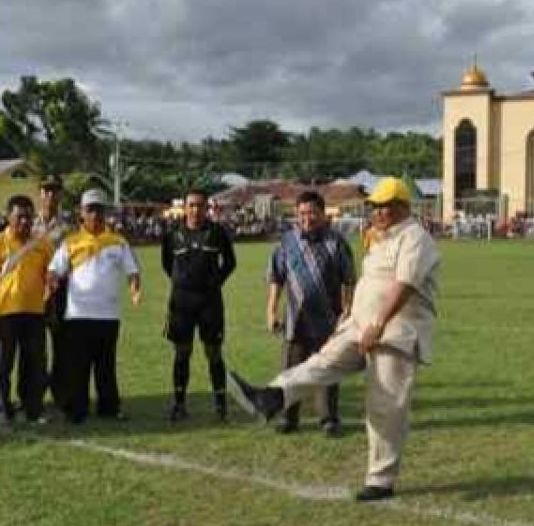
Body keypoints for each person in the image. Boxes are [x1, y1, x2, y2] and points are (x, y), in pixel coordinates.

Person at [228, 177, 440, 502]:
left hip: (396, 331)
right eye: (374, 205)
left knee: (385, 404)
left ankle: (381, 480)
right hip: (359, 323)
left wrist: (379, 324)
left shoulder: (415, 237)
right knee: (322, 362)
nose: (377, 211)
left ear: (401, 206)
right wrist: (352, 314)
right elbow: (369, 282)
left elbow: (404, 285)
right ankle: (272, 398)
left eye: (384, 206)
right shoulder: (381, 238)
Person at [265, 190, 356, 436]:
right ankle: (288, 418)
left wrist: (348, 309)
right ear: (296, 214)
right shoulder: (286, 242)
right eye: (303, 213)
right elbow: (276, 277)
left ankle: (329, 419)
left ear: (322, 214)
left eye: (313, 213)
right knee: (291, 371)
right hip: (296, 320)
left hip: (329, 321)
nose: (308, 218)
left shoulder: (336, 242)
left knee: (328, 370)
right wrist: (271, 309)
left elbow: (349, 279)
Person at [47, 189, 141, 424]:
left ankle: (109, 407)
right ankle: (76, 410)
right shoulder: (70, 242)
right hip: (77, 316)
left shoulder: (118, 242)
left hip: (108, 316)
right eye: (90, 209)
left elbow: (132, 271)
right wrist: (53, 281)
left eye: (99, 209)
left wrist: (134, 289)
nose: (95, 214)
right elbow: (53, 269)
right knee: (77, 366)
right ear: (82, 213)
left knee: (106, 366)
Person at [161, 190, 236, 421]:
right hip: (182, 304)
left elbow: (230, 262)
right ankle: (179, 403)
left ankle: (221, 406)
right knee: (182, 352)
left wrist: (216, 282)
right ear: (184, 208)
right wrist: (181, 283)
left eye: (200, 206)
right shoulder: (172, 233)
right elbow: (166, 263)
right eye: (191, 205)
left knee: (213, 353)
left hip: (210, 303)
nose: (196, 210)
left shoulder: (217, 232)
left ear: (207, 208)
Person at [0, 195, 54, 424]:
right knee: (4, 366)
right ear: (8, 217)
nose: (24, 222)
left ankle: (33, 409)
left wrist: (50, 303)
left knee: (34, 364)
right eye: (19, 217)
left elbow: (50, 276)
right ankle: (4, 410)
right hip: (5, 314)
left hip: (34, 313)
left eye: (28, 217)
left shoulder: (42, 244)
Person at [36, 175, 72, 408]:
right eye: (46, 190)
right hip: (33, 292)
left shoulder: (68, 228)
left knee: (61, 346)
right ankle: (34, 395)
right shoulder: (28, 224)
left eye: (55, 191)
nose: (50, 195)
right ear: (40, 193)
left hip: (59, 293)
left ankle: (60, 394)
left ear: (60, 195)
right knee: (35, 348)